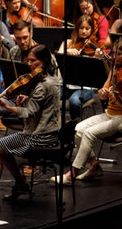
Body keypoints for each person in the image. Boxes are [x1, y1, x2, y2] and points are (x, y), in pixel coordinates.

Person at [0, 44, 61, 207]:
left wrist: (6, 106)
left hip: (39, 137)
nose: (29, 64)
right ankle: (21, 184)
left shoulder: (42, 85)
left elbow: (27, 113)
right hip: (49, 133)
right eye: (28, 60)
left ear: (44, 61)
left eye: (33, 61)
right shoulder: (49, 80)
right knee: (2, 148)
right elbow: (40, 106)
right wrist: (26, 100)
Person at [50, 39, 122, 185]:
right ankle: (94, 165)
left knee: (89, 133)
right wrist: (103, 93)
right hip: (109, 114)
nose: (115, 57)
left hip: (120, 118)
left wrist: (118, 99)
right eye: (115, 53)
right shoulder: (115, 68)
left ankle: (71, 174)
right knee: (78, 129)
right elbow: (103, 92)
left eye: (119, 54)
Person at [57, 15, 100, 120]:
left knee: (74, 101)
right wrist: (66, 51)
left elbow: (96, 72)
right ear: (77, 29)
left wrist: (97, 57)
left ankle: (74, 126)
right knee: (50, 95)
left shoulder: (93, 48)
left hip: (84, 88)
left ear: (92, 30)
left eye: (87, 29)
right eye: (81, 28)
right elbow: (57, 59)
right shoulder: (68, 43)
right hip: (66, 85)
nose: (84, 31)